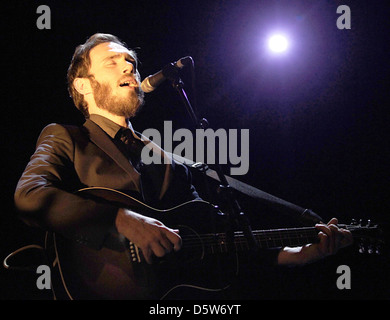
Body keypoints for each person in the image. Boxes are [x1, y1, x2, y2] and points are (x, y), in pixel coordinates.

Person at [14, 33, 353, 299]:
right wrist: (120, 220)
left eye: (130, 61)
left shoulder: (168, 159)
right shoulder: (66, 137)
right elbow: (30, 196)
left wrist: (301, 253)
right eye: (112, 62)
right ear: (83, 85)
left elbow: (215, 241)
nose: (129, 66)